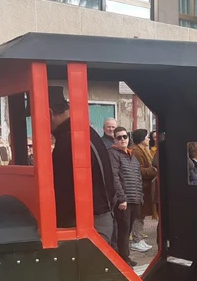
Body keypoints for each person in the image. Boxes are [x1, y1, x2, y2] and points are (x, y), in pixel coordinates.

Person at [50, 97, 118, 242]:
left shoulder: (69, 140)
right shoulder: (86, 132)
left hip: (86, 222)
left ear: (50, 113)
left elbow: (63, 188)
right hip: (101, 216)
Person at [107, 127, 143, 267]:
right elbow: (114, 177)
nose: (123, 139)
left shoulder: (131, 155)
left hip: (135, 199)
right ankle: (123, 258)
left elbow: (137, 177)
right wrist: (121, 198)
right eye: (119, 137)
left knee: (127, 230)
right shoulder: (113, 154)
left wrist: (140, 196)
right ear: (114, 139)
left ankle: (124, 256)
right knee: (122, 230)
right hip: (124, 200)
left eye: (125, 136)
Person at [130, 129, 155, 252]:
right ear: (141, 139)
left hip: (145, 187)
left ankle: (139, 238)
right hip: (141, 188)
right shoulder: (136, 151)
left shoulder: (143, 150)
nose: (149, 139)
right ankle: (136, 240)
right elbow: (139, 170)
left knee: (142, 214)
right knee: (138, 215)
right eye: (146, 137)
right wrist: (154, 170)